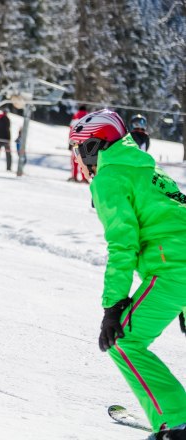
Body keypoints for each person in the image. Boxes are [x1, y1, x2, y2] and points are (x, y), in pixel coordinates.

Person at [69, 109, 186, 440]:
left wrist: (114, 305)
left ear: (93, 146)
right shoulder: (148, 167)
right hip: (179, 262)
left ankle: (176, 423)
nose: (77, 159)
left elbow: (122, 245)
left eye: (78, 149)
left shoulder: (108, 178)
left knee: (124, 341)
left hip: (173, 268)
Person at [68, 105, 89, 182]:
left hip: (75, 143)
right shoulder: (88, 118)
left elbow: (71, 131)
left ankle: (74, 177)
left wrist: (70, 143)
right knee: (84, 160)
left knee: (74, 160)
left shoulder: (75, 117)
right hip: (85, 143)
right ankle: (85, 178)